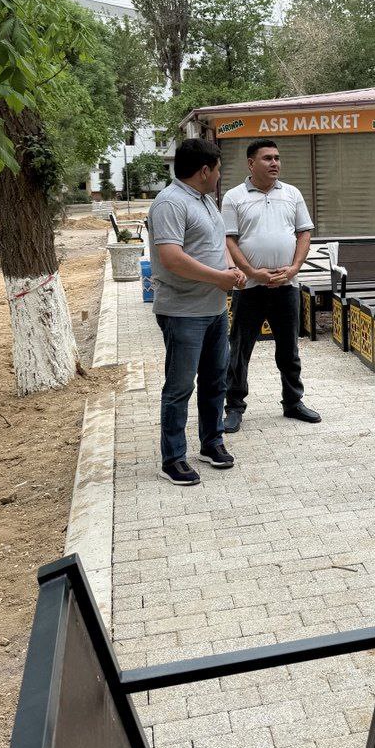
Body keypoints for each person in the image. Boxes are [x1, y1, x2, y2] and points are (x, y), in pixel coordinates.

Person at [146, 138, 246, 487]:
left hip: (213, 308)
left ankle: (211, 442)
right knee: (179, 387)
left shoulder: (205, 201)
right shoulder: (170, 203)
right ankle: (173, 458)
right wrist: (220, 278)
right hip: (183, 312)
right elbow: (172, 258)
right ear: (205, 170)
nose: (219, 176)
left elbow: (217, 243)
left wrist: (231, 268)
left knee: (215, 380)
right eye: (218, 169)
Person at [222, 139, 321, 431]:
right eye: (267, 158)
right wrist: (252, 271)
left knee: (289, 349)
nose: (274, 163)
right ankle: (234, 406)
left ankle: (293, 402)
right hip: (250, 288)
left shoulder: (292, 194)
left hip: (286, 286)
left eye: (277, 157)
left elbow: (304, 233)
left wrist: (294, 269)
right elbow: (229, 239)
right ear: (251, 163)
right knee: (240, 350)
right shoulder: (234, 197)